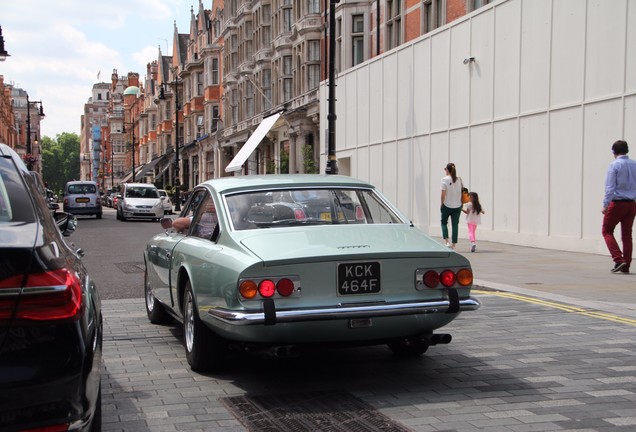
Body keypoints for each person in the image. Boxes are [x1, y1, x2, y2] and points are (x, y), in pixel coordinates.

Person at [602, 140, 636, 274]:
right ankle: (626, 265)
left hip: (617, 202)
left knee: (607, 230)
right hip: (632, 203)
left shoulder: (614, 165)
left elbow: (610, 188)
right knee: (627, 234)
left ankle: (618, 259)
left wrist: (605, 205)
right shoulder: (635, 164)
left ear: (613, 152)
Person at [440, 162, 464, 249]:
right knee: (455, 225)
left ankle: (447, 242)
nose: (445, 170)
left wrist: (441, 204)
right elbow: (462, 192)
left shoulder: (444, 179)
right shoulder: (459, 179)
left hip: (447, 205)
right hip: (457, 206)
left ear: (447, 170)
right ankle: (454, 244)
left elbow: (443, 194)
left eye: (445, 169)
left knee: (443, 222)